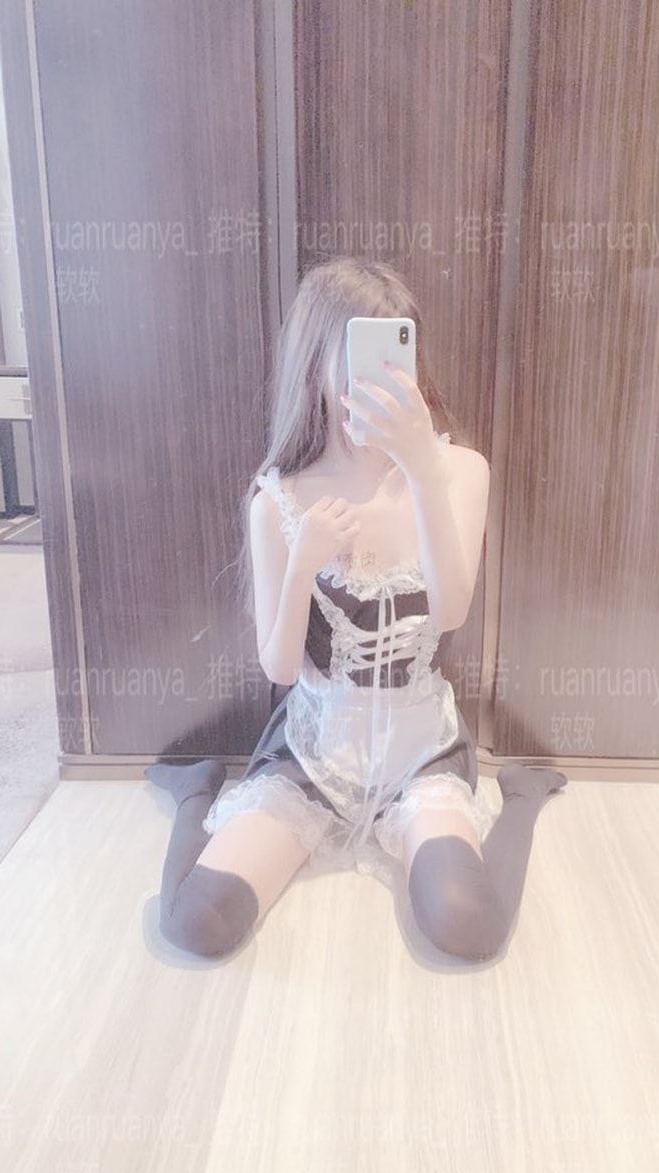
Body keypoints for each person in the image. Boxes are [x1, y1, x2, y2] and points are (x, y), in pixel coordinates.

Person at [146, 257, 566, 964]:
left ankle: (520, 798)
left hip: (420, 748)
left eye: (397, 355)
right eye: (359, 359)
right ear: (316, 367)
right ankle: (198, 791)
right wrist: (302, 561)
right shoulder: (280, 499)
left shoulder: (461, 472)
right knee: (195, 925)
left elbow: (451, 610)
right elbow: (280, 668)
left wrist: (422, 471)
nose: (381, 381)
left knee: (469, 925)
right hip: (315, 751)